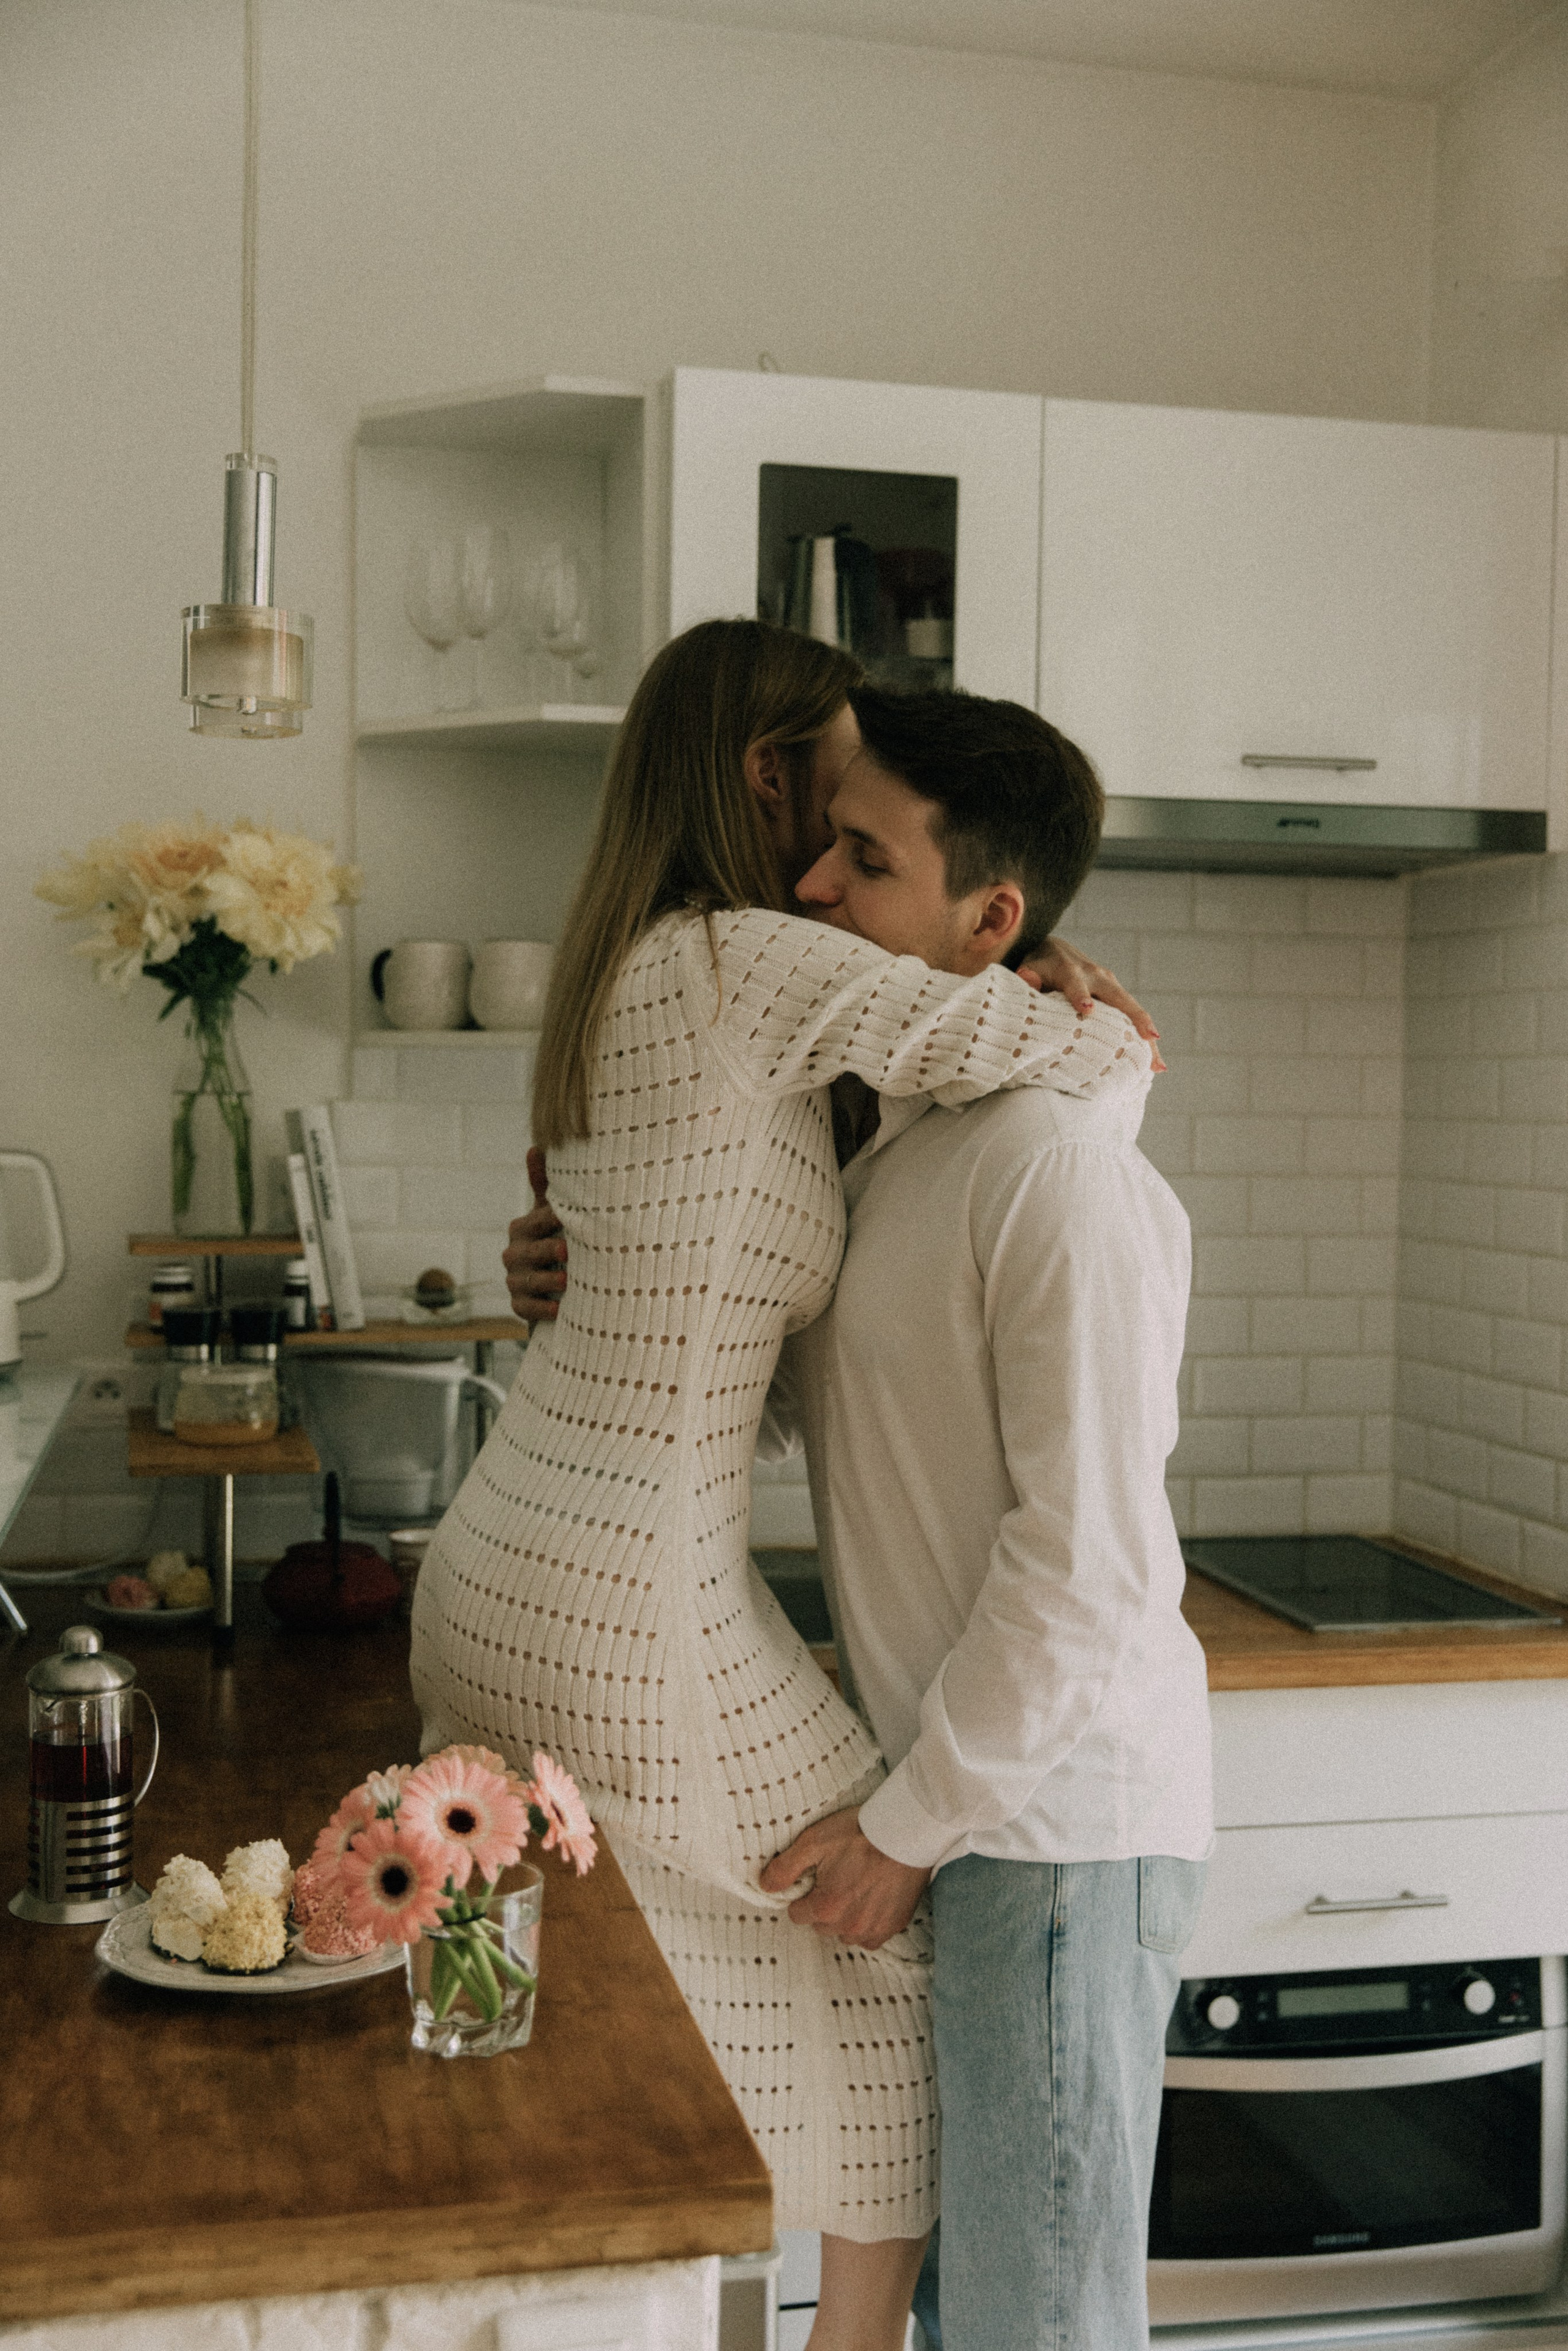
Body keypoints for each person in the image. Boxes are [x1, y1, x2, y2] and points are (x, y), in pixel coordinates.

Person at [410, 618, 1153, 2351]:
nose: (830, 864)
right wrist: (1072, 987)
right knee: (881, 1942)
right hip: (623, 1608)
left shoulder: (632, 968)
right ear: (765, 784)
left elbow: (690, 1338)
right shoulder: (749, 960)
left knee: (685, 2004)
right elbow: (1093, 1068)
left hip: (507, 1568)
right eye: (830, 808)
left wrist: (552, 1269)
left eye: (864, 845)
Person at [756, 684, 1213, 2351]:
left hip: (1059, 1835)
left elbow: (1085, 1569)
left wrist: (903, 1827)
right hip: (984, 1816)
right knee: (979, 2316)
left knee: (1035, 2327)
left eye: (863, 859)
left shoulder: (1055, 1168)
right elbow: (846, 1417)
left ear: (990, 915)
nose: (814, 888)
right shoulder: (918, 1143)